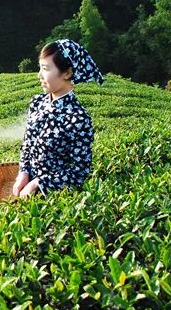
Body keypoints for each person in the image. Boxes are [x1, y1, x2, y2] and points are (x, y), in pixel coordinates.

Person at [12, 39, 104, 198]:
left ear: (67, 73)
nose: (39, 75)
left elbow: (79, 173)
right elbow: (27, 145)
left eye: (45, 69)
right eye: (40, 68)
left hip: (53, 196)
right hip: (25, 190)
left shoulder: (78, 118)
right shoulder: (37, 103)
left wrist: (38, 183)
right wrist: (23, 172)